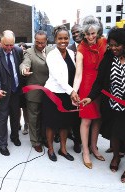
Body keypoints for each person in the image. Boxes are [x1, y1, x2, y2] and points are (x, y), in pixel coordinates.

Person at [80, 27, 125, 182]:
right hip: (112, 105)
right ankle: (116, 158)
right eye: (110, 45)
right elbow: (99, 82)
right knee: (115, 133)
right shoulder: (108, 57)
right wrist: (90, 98)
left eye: (116, 45)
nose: (112, 48)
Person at [72, 15, 107, 169]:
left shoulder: (104, 42)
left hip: (103, 85)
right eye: (87, 34)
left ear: (97, 31)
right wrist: (74, 91)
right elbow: (78, 73)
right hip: (87, 85)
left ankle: (94, 146)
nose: (90, 37)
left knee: (98, 118)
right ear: (83, 34)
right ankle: (85, 151)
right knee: (86, 120)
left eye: (93, 33)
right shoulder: (81, 48)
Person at [43, 25, 79, 162]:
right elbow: (58, 77)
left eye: (66, 38)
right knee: (51, 124)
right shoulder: (51, 55)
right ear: (55, 39)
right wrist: (72, 91)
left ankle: (63, 149)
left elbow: (74, 74)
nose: (63, 41)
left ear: (69, 38)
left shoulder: (71, 53)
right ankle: (51, 149)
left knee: (65, 124)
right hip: (53, 94)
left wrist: (72, 91)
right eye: (60, 38)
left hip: (67, 94)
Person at [0, 30, 23, 156]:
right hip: (2, 92)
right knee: (2, 119)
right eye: (6, 45)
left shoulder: (18, 51)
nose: (9, 48)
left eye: (11, 45)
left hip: (15, 90)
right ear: (1, 42)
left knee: (15, 116)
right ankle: (2, 144)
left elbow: (22, 65)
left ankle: (15, 136)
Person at [19, 30, 52, 152]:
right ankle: (35, 141)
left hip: (49, 92)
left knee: (45, 117)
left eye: (42, 43)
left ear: (46, 41)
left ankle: (44, 138)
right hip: (34, 93)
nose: (39, 45)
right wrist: (24, 70)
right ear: (34, 40)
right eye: (37, 42)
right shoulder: (29, 52)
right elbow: (24, 64)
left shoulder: (52, 51)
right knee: (34, 118)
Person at [68, 24, 83, 153]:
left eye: (77, 31)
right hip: (73, 87)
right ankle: (77, 141)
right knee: (75, 117)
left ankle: (87, 142)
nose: (75, 34)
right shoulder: (68, 49)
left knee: (86, 116)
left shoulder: (89, 47)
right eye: (73, 33)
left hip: (87, 86)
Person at [17, 42, 29, 135]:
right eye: (20, 47)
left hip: (26, 86)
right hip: (17, 86)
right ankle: (18, 124)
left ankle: (26, 124)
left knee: (25, 107)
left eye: (24, 47)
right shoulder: (16, 57)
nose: (22, 49)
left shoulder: (28, 58)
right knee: (17, 107)